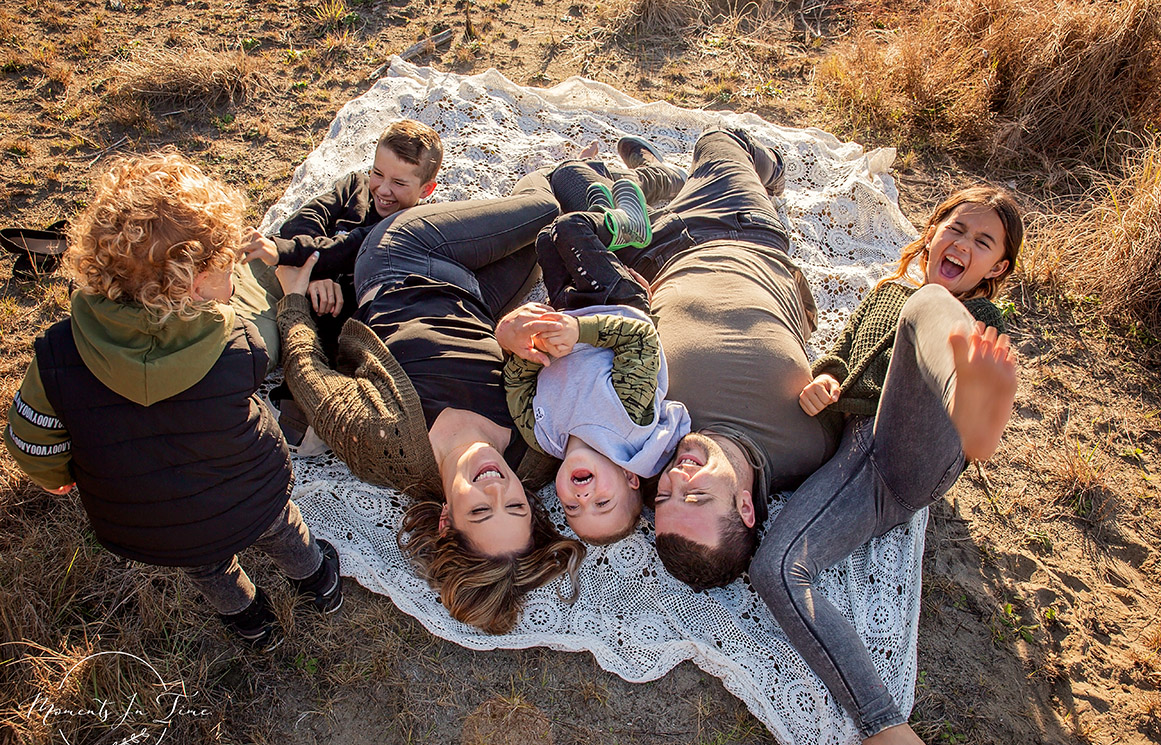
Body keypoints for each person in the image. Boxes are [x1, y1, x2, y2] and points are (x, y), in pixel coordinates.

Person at [271, 152, 680, 633]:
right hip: (481, 300)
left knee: (546, 207)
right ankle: (629, 182)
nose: (497, 486)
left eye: (480, 509)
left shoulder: (382, 444)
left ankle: (628, 181)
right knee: (549, 224)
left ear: (446, 519)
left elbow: (307, 373)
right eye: (516, 505)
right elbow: (594, 405)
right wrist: (520, 334)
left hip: (400, 261)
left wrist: (293, 297)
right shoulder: (537, 455)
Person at [748, 185, 1023, 745]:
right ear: (934, 231)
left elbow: (947, 317)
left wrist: (963, 390)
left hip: (924, 439)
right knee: (777, 567)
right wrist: (825, 381)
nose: (963, 245)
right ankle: (889, 734)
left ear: (996, 268)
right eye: (957, 229)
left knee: (930, 304)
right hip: (867, 465)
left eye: (983, 243)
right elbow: (839, 358)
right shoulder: (884, 294)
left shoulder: (978, 318)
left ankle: (968, 402)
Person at [2, 154, 342, 651]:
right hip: (252, 495)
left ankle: (249, 620)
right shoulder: (239, 342)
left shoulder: (57, 352)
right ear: (194, 283)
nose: (235, 279)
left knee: (205, 563)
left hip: (151, 527)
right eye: (228, 269)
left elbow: (29, 439)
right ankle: (318, 581)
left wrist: (58, 476)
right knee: (282, 529)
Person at [611, 127, 828, 591]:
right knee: (718, 139)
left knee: (581, 203)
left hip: (651, 258)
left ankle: (656, 174)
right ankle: (769, 169)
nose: (676, 477)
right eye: (696, 497)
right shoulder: (811, 447)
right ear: (746, 507)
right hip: (741, 230)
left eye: (665, 497)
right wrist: (833, 377)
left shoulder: (649, 444)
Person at [499, 178, 691, 545]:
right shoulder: (629, 422)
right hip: (615, 303)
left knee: (546, 241)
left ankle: (603, 210)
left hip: (565, 310)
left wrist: (532, 350)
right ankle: (628, 221)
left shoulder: (544, 436)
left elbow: (516, 385)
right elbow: (640, 340)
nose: (583, 497)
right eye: (602, 503)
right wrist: (579, 331)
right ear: (630, 478)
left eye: (572, 508)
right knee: (570, 228)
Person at [235, 119, 445, 368]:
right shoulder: (356, 186)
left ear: (426, 190)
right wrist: (317, 275)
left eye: (399, 183)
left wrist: (285, 252)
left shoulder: (413, 225)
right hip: (287, 287)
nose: (383, 190)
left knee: (243, 352)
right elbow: (303, 220)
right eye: (378, 173)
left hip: (326, 338)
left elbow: (353, 246)